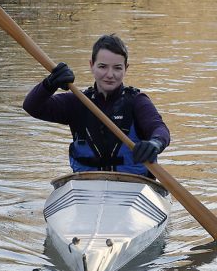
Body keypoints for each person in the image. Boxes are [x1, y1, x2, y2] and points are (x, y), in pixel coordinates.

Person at [23, 34, 170, 178]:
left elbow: (160, 129)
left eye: (117, 68)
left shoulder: (137, 101)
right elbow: (32, 106)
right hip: (86, 186)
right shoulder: (77, 102)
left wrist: (155, 143)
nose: (110, 74)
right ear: (91, 66)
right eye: (102, 67)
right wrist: (49, 84)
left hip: (133, 187)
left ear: (126, 68)